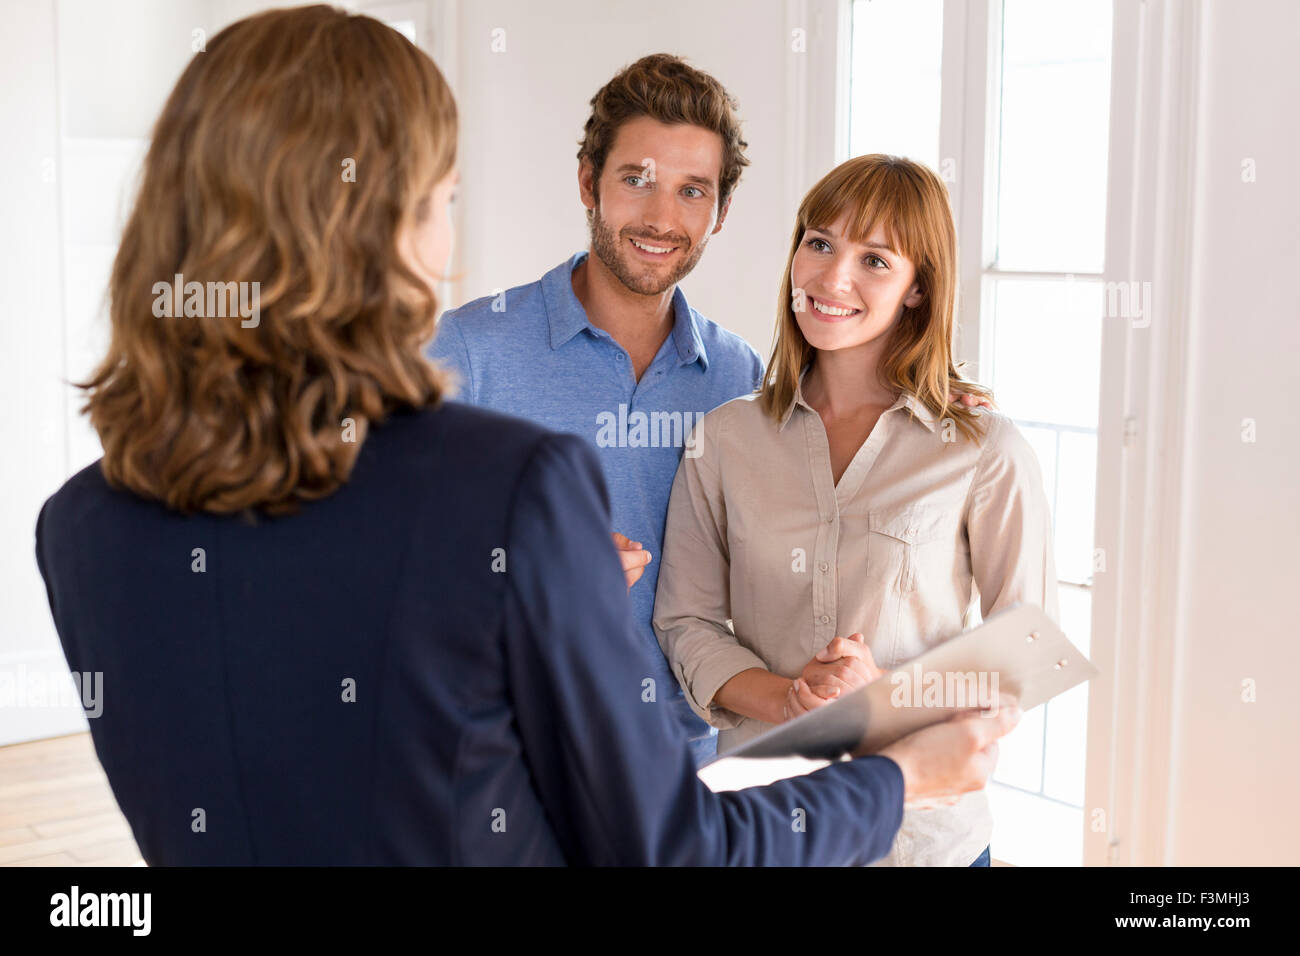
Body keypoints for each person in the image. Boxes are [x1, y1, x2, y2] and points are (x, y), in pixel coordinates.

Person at [34, 6, 1019, 866]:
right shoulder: (502, 474)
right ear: (391, 223)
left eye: (692, 190)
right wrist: (897, 773)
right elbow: (662, 847)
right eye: (443, 200)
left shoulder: (78, 529)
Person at [428, 53, 988, 765]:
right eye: (637, 179)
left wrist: (930, 393)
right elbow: (383, 555)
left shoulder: (739, 377)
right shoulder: (469, 354)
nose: (662, 217)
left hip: (683, 765)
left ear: (722, 212)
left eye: (693, 191)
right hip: (507, 753)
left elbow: (850, 425)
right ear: (587, 184)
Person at [654, 154, 1061, 867]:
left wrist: (883, 701)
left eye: (875, 259)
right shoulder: (724, 438)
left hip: (921, 842)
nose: (832, 278)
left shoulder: (981, 449)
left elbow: (1025, 653)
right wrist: (789, 701)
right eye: (819, 243)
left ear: (916, 289)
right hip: (761, 828)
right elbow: (685, 621)